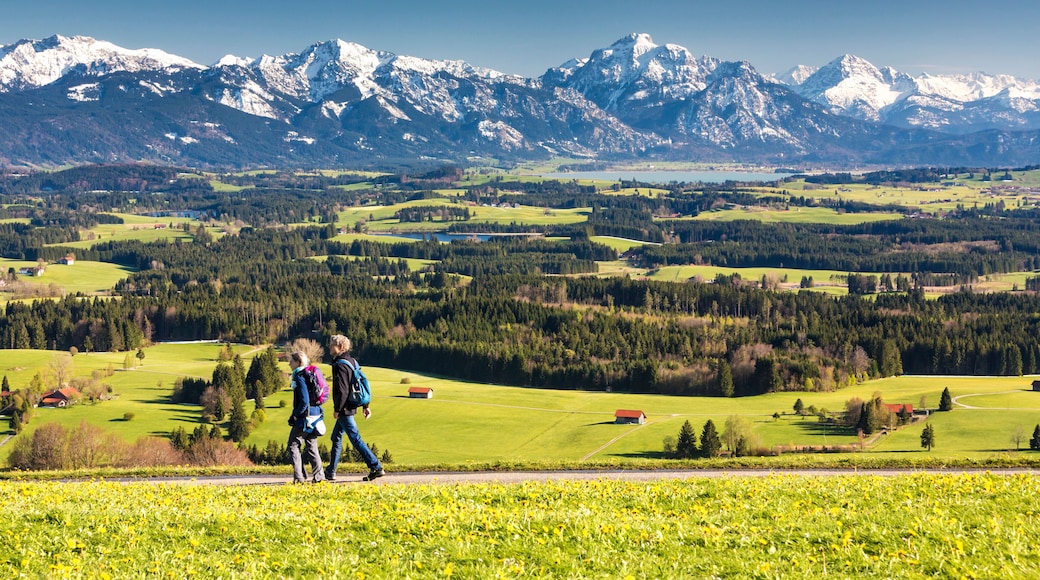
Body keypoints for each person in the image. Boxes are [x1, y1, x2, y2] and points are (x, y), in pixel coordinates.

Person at [324, 334, 384, 482]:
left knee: (355, 438)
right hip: (351, 405)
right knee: (336, 437)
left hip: (344, 408)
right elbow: (360, 384)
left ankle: (376, 466)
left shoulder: (340, 364)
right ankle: (331, 471)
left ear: (340, 347)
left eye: (332, 345)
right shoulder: (352, 361)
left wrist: (337, 409)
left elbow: (342, 390)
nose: (329, 347)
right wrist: (365, 405)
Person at [287, 351, 325, 483]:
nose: (289, 363)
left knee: (293, 445)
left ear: (298, 362)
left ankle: (299, 477)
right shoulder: (310, 375)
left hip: (305, 417)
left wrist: (295, 415)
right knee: (311, 445)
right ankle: (319, 477)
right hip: (316, 415)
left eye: (291, 361)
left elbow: (304, 400)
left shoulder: (299, 377)